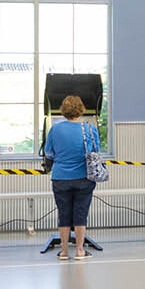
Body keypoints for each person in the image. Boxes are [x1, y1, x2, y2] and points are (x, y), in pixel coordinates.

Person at [43, 94, 98, 260]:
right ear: (81, 109)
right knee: (81, 213)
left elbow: (48, 152)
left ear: (63, 110)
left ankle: (64, 251)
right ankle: (80, 250)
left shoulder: (55, 129)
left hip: (60, 177)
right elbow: (95, 152)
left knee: (63, 213)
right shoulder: (90, 129)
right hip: (84, 177)